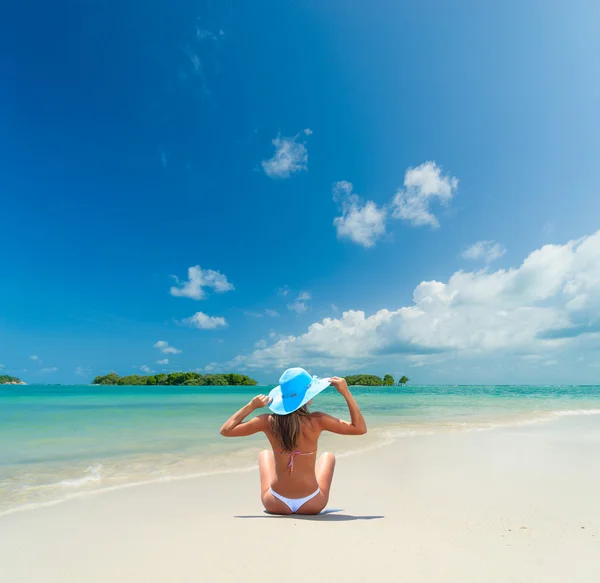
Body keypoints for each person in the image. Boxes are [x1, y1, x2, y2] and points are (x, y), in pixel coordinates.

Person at [220, 367, 367, 515]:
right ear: (308, 397)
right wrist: (346, 393)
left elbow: (226, 431)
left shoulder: (267, 421)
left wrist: (251, 406)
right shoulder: (317, 420)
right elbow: (360, 428)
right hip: (313, 503)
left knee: (265, 454)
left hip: (275, 503)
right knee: (328, 456)